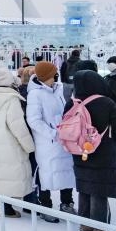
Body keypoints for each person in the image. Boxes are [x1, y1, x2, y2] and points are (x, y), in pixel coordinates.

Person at [67, 70, 116, 231]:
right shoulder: (106, 102)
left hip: (78, 150)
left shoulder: (73, 102)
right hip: (103, 151)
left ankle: (85, 223)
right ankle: (101, 228)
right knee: (100, 188)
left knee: (84, 185)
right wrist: (111, 139)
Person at [25, 60, 75, 221]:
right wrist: (52, 133)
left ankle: (67, 203)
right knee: (47, 173)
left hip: (64, 139)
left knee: (67, 171)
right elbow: (33, 120)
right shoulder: (35, 94)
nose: (56, 74)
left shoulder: (59, 89)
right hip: (48, 142)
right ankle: (45, 205)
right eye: (53, 72)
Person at [0, 68, 36, 218]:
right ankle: (5, 209)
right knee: (9, 174)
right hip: (9, 143)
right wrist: (29, 146)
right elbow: (17, 126)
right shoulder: (11, 99)